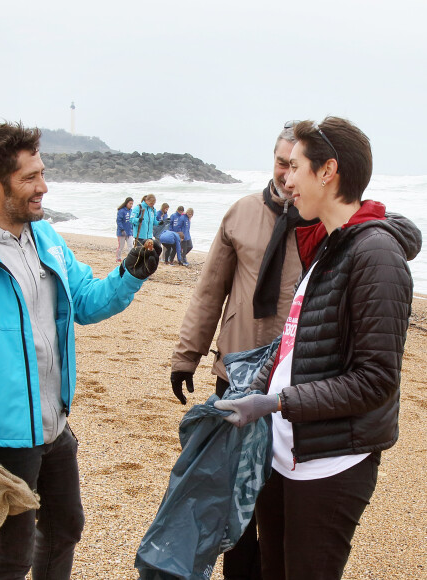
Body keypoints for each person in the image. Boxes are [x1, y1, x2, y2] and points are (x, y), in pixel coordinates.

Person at [0, 122, 161, 580]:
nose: (43, 187)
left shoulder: (46, 239)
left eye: (42, 173)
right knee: (10, 556)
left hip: (54, 425)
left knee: (66, 527)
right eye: (30, 178)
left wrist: (130, 275)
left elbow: (85, 302)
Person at [215, 117, 421, 580]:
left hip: (332, 462)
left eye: (297, 169)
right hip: (286, 450)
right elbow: (293, 346)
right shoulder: (329, 245)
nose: (285, 181)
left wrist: (275, 401)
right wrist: (252, 384)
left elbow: (376, 381)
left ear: (328, 171)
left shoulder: (376, 256)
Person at [170, 124, 317, 580]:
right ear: (272, 160)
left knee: (279, 497)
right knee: (233, 493)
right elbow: (210, 289)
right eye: (281, 161)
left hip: (296, 379)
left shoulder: (322, 220)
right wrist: (186, 355)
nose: (287, 173)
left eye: (296, 164)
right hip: (235, 372)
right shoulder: (240, 212)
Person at [116, 196, 134, 262]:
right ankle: (118, 258)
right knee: (121, 246)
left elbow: (131, 221)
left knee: (130, 246)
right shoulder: (121, 211)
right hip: (121, 232)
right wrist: (122, 229)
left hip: (129, 232)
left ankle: (130, 259)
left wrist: (132, 229)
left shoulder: (131, 211)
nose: (131, 205)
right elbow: (118, 221)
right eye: (130, 203)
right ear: (126, 203)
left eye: (132, 204)